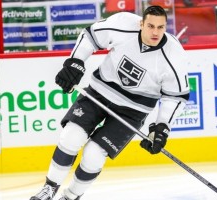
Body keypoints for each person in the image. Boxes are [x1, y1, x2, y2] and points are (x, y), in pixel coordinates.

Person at [30, 5, 190, 200]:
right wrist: (76, 62)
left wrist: (162, 126)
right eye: (150, 26)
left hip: (133, 111)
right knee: (71, 136)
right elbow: (90, 36)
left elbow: (175, 96)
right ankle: (49, 188)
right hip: (98, 94)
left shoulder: (174, 55)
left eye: (160, 27)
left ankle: (71, 196)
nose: (155, 32)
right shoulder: (123, 24)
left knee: (93, 156)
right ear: (141, 23)